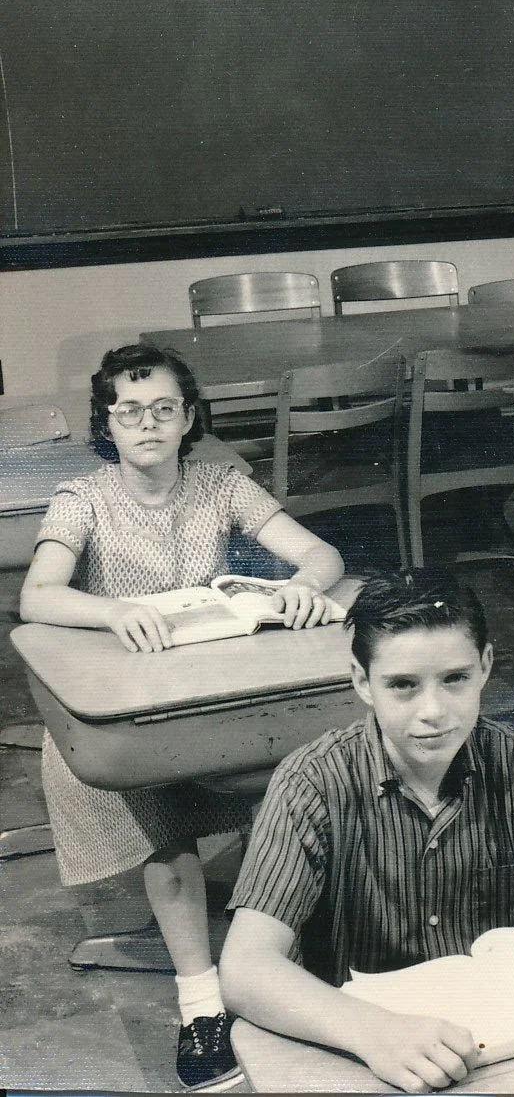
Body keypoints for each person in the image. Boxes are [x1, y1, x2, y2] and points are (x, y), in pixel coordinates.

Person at [220, 569, 514, 1095]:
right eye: (403, 685)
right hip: (363, 1050)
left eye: (455, 679)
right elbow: (244, 969)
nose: (433, 712)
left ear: (486, 666)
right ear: (361, 682)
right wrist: (372, 1032)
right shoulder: (312, 781)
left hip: (500, 1050)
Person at [19, 343, 345, 1091]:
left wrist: (298, 587)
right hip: (122, 718)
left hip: (211, 698)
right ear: (108, 422)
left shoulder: (221, 485)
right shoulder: (82, 498)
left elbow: (320, 554)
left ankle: (279, 961)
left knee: (293, 779)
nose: (147, 424)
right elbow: (38, 596)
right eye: (129, 411)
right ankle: (202, 1002)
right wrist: (113, 610)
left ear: (188, 417)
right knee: (164, 827)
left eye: (164, 409)